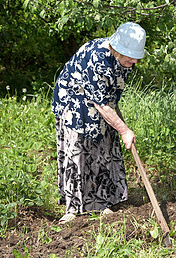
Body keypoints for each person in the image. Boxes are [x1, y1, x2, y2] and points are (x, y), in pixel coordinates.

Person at [52, 22, 146, 224]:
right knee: (78, 149)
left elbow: (111, 96)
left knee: (104, 147)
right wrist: (124, 130)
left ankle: (102, 202)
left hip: (101, 102)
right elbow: (101, 105)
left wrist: (118, 125)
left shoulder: (124, 62)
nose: (134, 60)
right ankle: (74, 209)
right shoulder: (97, 58)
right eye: (130, 56)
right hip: (74, 100)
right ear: (118, 48)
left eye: (136, 56)